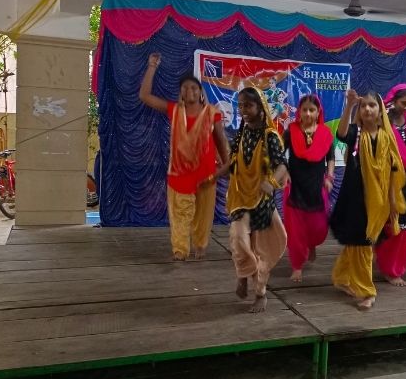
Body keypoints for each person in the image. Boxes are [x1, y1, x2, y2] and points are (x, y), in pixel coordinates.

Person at [139, 52, 230, 261]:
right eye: (185, 87)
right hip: (179, 174)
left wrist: (226, 165)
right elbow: (144, 96)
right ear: (180, 92)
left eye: (194, 87)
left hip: (206, 173)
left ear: (200, 92)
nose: (189, 91)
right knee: (179, 214)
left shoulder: (212, 113)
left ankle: (200, 245)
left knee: (203, 215)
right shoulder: (174, 110)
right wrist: (152, 66)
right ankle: (180, 250)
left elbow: (220, 139)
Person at [330, 89, 406, 311]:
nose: (367, 109)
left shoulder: (387, 137)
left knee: (359, 242)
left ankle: (342, 278)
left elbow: (393, 171)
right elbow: (341, 134)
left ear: (380, 111)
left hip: (377, 201)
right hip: (353, 198)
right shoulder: (356, 133)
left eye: (372, 105)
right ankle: (366, 291)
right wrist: (349, 105)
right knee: (361, 243)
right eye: (364, 106)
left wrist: (393, 202)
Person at [227, 86, 288, 313]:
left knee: (260, 250)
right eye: (241, 105)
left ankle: (260, 294)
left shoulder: (270, 136)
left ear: (261, 108)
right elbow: (232, 163)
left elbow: (282, 165)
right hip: (240, 198)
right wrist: (213, 176)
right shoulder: (241, 134)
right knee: (238, 238)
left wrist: (271, 182)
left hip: (261, 201)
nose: (243, 110)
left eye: (248, 105)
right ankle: (243, 274)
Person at [373, 84, 406, 287]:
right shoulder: (381, 123)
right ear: (393, 101)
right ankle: (390, 269)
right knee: (390, 225)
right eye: (403, 103)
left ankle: (390, 262)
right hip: (385, 178)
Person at [282, 95, 335, 283]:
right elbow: (280, 154)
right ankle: (297, 266)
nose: (307, 113)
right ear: (299, 111)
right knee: (295, 230)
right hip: (295, 186)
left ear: (318, 112)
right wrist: (285, 172)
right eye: (304, 109)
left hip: (317, 186)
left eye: (312, 110)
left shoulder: (325, 133)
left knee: (318, 226)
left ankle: (311, 244)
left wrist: (329, 177)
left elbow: (330, 157)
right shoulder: (291, 131)